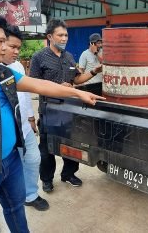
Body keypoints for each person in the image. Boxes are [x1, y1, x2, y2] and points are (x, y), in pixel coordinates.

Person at [0, 10, 103, 232]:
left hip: (11, 161)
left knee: (16, 209)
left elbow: (38, 84)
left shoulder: (3, 73)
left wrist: (78, 93)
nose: (6, 48)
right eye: (0, 41)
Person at [0, 24, 50, 232]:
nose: (16, 52)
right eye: (12, 46)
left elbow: (25, 97)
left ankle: (30, 195)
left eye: (18, 48)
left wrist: (31, 119)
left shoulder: (17, 68)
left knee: (32, 160)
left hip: (22, 128)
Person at [30, 19, 102, 192]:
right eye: (60, 35)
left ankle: (68, 174)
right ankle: (47, 179)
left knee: (72, 145)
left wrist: (94, 71)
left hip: (70, 111)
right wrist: (58, 87)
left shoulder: (69, 57)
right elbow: (33, 84)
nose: (64, 38)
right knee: (47, 150)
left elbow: (76, 79)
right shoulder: (39, 57)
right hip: (50, 111)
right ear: (50, 36)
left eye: (66, 35)